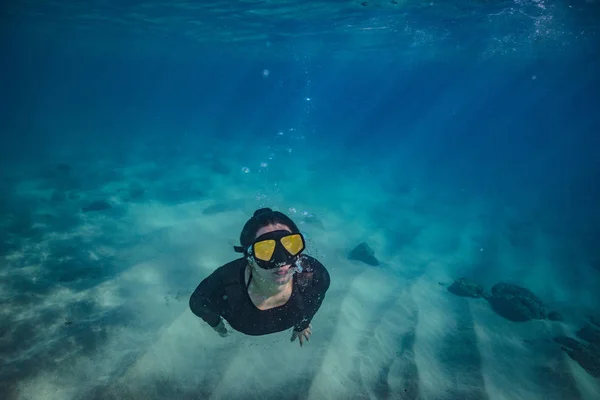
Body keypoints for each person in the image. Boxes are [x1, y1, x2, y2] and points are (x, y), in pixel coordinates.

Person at [189, 207, 330, 347]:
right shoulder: (225, 286)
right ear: (249, 257)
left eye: (290, 245)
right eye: (265, 250)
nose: (282, 262)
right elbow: (197, 303)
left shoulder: (314, 276)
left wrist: (302, 325)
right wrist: (216, 323)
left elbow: (315, 302)